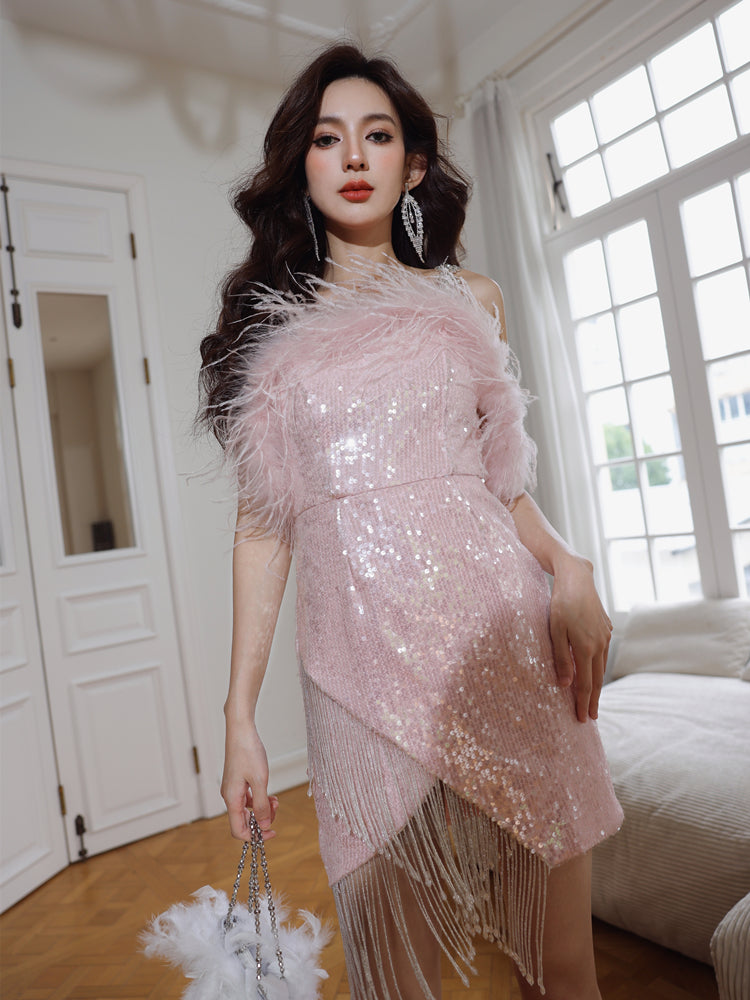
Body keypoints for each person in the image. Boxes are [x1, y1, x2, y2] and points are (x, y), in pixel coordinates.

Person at [199, 42, 622, 1000]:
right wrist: (239, 719)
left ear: (413, 164)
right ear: (302, 166)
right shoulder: (273, 344)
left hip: (504, 652)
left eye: (378, 135)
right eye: (327, 138)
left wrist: (569, 566)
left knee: (562, 971)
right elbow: (264, 532)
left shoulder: (470, 301)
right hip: (358, 680)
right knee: (393, 981)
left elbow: (499, 484)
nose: (354, 155)